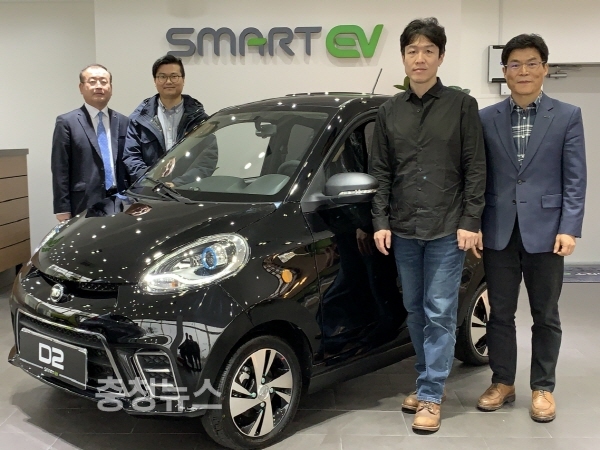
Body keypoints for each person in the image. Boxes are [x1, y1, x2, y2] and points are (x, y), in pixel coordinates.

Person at [369, 17, 485, 432]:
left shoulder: (461, 105)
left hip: (447, 229)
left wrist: (471, 220)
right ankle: (426, 380)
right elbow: (381, 171)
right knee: (415, 311)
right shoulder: (389, 111)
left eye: (428, 51)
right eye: (412, 51)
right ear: (403, 57)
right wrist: (380, 219)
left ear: (440, 57)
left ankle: (432, 395)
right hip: (403, 228)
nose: (420, 58)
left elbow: (475, 168)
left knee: (439, 311)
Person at [476, 34, 586, 423]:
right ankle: (502, 382)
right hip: (498, 230)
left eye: (532, 63)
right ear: (504, 71)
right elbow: (477, 177)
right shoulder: (485, 118)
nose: (523, 71)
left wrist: (569, 227)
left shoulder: (567, 115)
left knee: (546, 314)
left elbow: (575, 178)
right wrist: (474, 224)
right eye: (515, 64)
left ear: (545, 68)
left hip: (547, 231)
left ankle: (543, 387)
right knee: (500, 313)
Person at [51, 64, 129, 221]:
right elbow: (60, 169)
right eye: (92, 81)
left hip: (121, 200)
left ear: (111, 88)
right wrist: (62, 209)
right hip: (83, 202)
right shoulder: (67, 122)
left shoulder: (123, 121)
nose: (99, 86)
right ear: (81, 87)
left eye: (103, 81)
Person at [123, 54, 213, 182]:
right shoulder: (138, 119)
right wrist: (151, 182)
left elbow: (207, 159)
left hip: (187, 189)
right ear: (155, 81)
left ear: (183, 79)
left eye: (174, 76)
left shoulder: (200, 119)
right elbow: (131, 157)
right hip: (148, 191)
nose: (168, 82)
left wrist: (179, 184)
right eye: (162, 77)